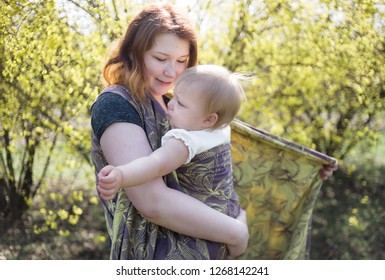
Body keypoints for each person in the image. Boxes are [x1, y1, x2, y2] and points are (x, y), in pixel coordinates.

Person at [91, 3, 248, 260]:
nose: (171, 72)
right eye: (160, 59)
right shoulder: (116, 104)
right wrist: (237, 234)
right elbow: (152, 202)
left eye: (181, 61)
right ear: (134, 53)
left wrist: (308, 167)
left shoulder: (171, 102)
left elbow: (220, 134)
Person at [97, 66, 246, 254]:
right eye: (173, 97)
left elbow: (155, 164)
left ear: (209, 120)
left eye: (181, 104)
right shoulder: (222, 130)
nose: (170, 104)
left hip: (194, 242)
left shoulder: (184, 141)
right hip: (228, 219)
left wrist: (122, 174)